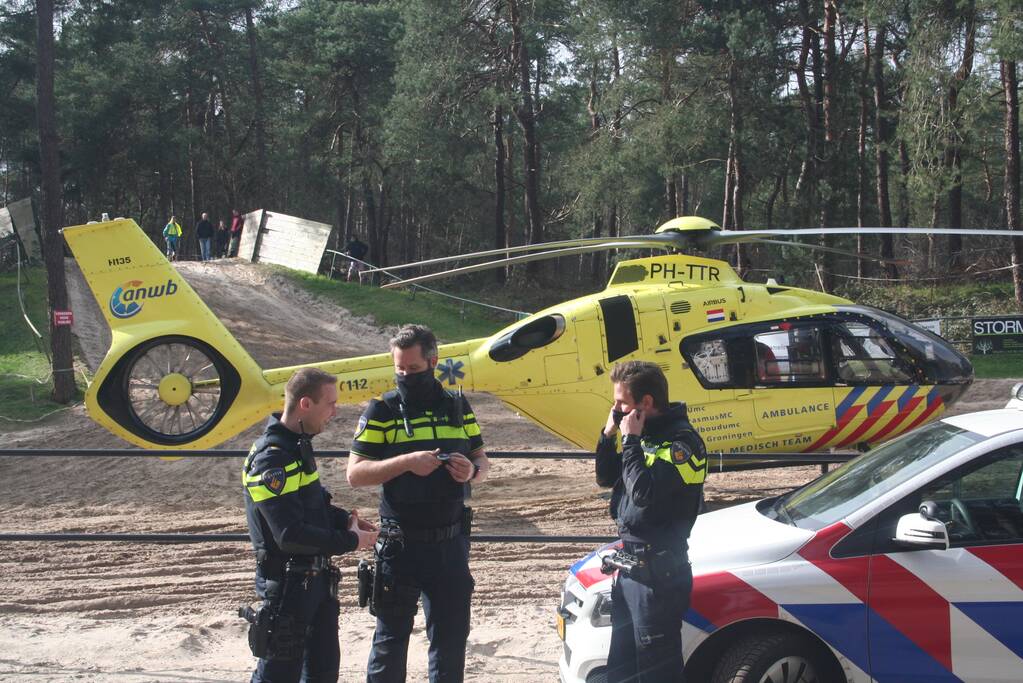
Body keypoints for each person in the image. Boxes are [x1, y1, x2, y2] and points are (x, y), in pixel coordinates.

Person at [348, 324, 489, 683]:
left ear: (433, 361)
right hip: (400, 544)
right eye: (399, 369)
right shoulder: (381, 408)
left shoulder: (457, 404)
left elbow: (482, 460)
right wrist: (406, 462)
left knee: (451, 641)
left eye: (413, 369)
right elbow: (356, 474)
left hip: (450, 544)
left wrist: (470, 471)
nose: (405, 376)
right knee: (390, 642)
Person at [242, 367, 379, 683]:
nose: (335, 411)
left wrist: (347, 520)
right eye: (329, 403)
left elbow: (313, 506)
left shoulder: (297, 445)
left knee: (322, 673)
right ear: (306, 404)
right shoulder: (271, 457)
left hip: (315, 582)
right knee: (277, 676)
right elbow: (289, 534)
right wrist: (350, 541)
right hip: (288, 587)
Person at [595, 360, 707, 683]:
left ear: (646, 403)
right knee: (621, 672)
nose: (616, 409)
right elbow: (606, 477)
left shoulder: (683, 443)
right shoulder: (642, 434)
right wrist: (608, 434)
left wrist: (630, 440)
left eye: (622, 403)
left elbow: (644, 493)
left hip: (660, 577)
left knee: (658, 675)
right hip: (630, 573)